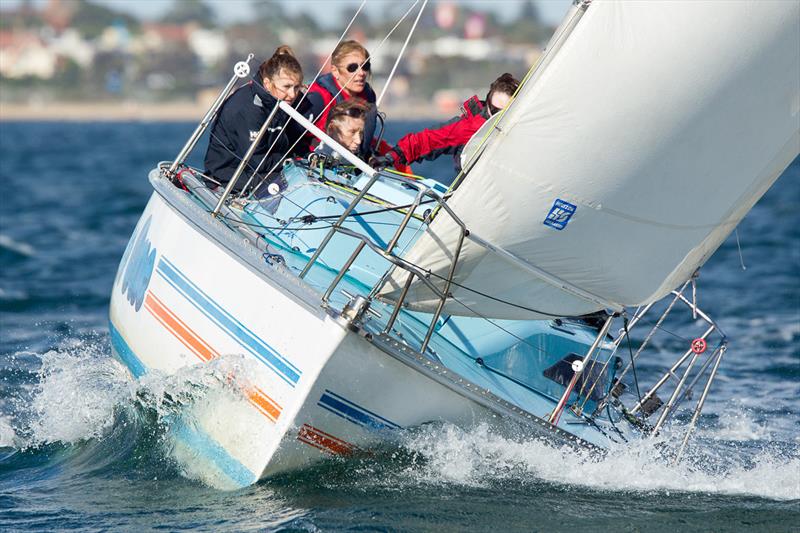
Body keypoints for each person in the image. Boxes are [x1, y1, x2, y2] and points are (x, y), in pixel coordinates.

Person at [204, 46, 312, 194]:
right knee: (297, 185)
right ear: (267, 84)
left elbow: (295, 141)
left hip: (264, 171)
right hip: (230, 176)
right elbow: (257, 161)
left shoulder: (280, 100)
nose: (292, 94)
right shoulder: (247, 108)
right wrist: (292, 162)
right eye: (287, 87)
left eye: (297, 87)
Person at [370, 73, 520, 174]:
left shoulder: (524, 128)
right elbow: (428, 139)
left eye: (504, 112)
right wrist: (394, 155)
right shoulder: (469, 127)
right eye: (494, 110)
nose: (498, 116)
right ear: (487, 103)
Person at [306, 40, 378, 156]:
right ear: (335, 71)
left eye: (365, 66)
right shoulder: (317, 98)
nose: (361, 73)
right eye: (352, 67)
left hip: (354, 165)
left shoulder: (368, 96)